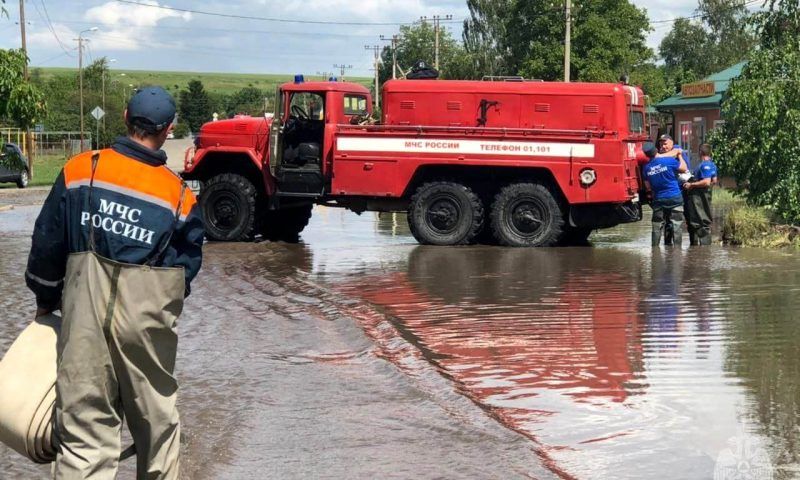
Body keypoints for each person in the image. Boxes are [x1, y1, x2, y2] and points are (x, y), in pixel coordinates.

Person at [25, 86, 204, 479]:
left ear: (125, 117)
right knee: (157, 427)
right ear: (168, 129)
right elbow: (185, 270)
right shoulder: (179, 197)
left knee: (84, 431)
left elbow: (48, 242)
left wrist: (45, 299)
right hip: (146, 324)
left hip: (84, 316)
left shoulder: (80, 170)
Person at [642, 141, 688, 247]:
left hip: (658, 200)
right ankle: (677, 251)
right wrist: (680, 156)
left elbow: (648, 186)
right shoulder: (669, 160)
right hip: (675, 197)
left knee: (656, 225)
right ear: (656, 150)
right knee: (676, 224)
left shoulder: (646, 168)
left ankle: (655, 250)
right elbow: (684, 168)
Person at [683, 143, 718, 245]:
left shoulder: (704, 165)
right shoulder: (712, 165)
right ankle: (696, 249)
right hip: (705, 195)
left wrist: (691, 185)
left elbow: (707, 182)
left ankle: (704, 250)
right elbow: (714, 181)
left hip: (698, 197)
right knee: (702, 220)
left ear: (700, 152)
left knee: (698, 221)